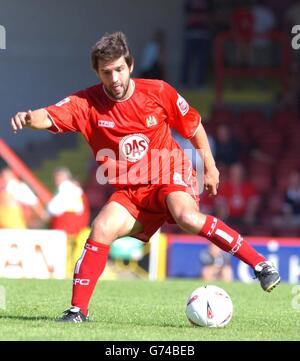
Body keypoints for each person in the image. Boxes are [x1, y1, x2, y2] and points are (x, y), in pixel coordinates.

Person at [11, 31, 280, 323]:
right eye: (106, 72)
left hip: (170, 174)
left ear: (131, 65)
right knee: (101, 227)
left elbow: (194, 126)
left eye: (119, 70)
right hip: (131, 191)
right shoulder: (86, 103)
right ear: (97, 72)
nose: (114, 78)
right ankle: (77, 311)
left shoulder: (158, 91)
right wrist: (28, 118)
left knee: (186, 217)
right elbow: (49, 115)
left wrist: (210, 166)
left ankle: (261, 265)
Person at [47, 167, 90, 277]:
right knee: (73, 252)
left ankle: (63, 271)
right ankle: (71, 271)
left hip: (65, 226)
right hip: (79, 226)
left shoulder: (65, 188)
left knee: (63, 251)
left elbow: (53, 208)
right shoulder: (77, 189)